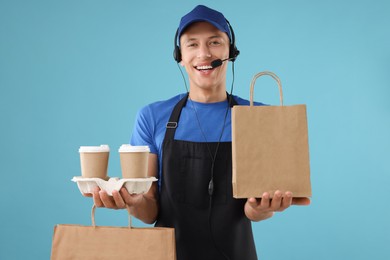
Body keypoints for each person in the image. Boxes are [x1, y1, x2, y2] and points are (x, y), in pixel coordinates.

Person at [87, 5, 310, 260]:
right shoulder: (152, 117)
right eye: (192, 44)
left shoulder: (259, 118)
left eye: (215, 42)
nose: (204, 54)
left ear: (230, 52)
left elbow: (254, 209)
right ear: (180, 56)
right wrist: (132, 202)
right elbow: (150, 211)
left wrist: (261, 209)